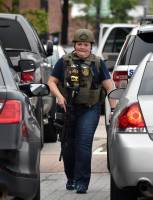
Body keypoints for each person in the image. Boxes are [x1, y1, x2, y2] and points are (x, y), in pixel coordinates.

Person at [48, 28, 115, 194]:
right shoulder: (64, 61)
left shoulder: (98, 63)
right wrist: (59, 96)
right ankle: (71, 177)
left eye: (85, 44)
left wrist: (114, 108)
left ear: (91, 46)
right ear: (74, 45)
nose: (82, 47)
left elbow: (109, 87)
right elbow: (51, 81)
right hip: (67, 109)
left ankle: (82, 182)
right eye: (79, 44)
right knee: (68, 146)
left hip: (89, 110)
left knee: (83, 146)